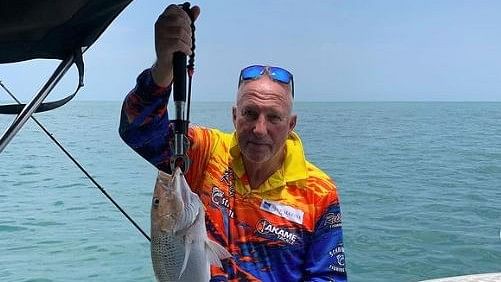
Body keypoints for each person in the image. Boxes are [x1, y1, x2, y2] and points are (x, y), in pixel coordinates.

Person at [119, 4, 347, 282]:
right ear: (234, 116)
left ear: (291, 125)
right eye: (250, 113)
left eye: (274, 117)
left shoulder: (319, 192)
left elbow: (327, 277)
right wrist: (164, 66)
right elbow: (138, 130)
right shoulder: (207, 151)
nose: (259, 129)